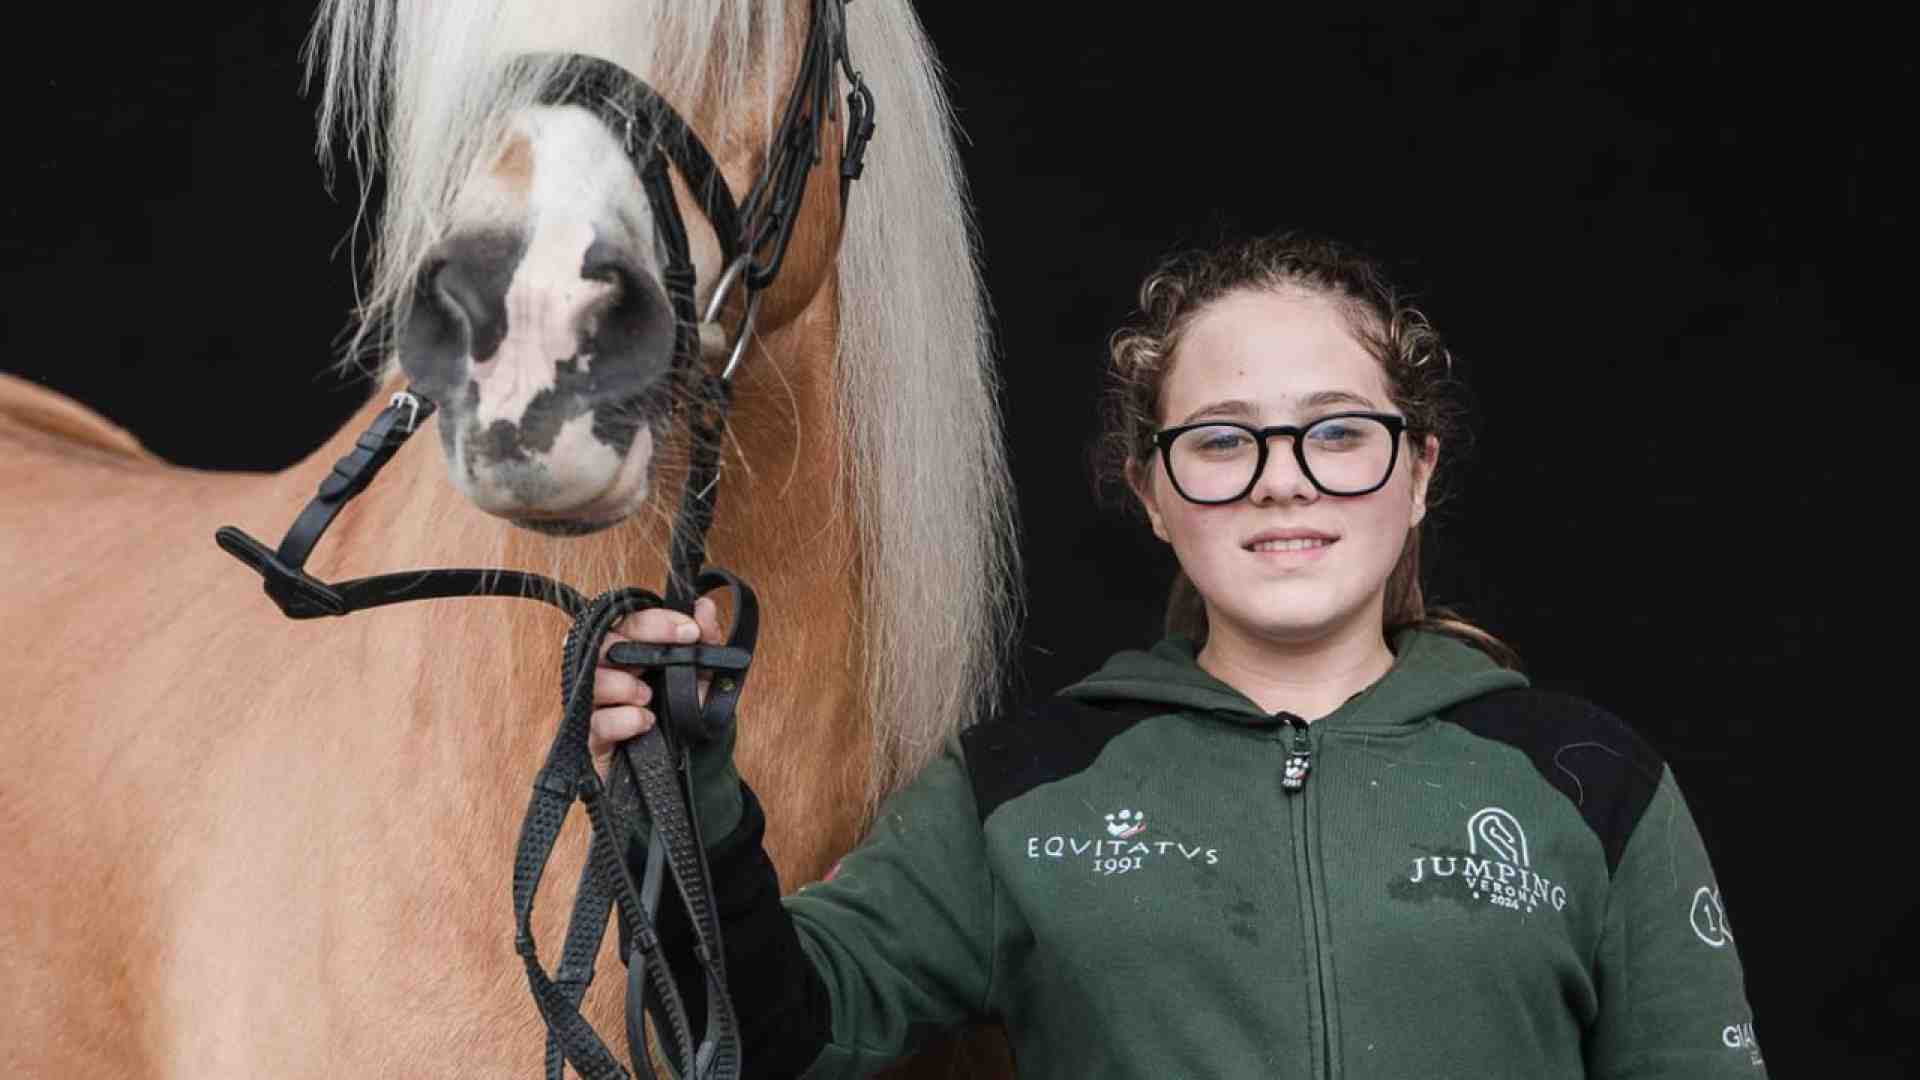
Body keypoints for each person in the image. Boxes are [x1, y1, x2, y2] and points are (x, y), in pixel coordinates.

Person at [590, 232, 1767, 1077]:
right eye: (1222, 442)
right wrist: (686, 785)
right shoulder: (1022, 788)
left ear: (1417, 474)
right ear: (1154, 493)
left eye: (1339, 433)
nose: (1284, 479)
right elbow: (776, 1034)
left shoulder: (1587, 780)